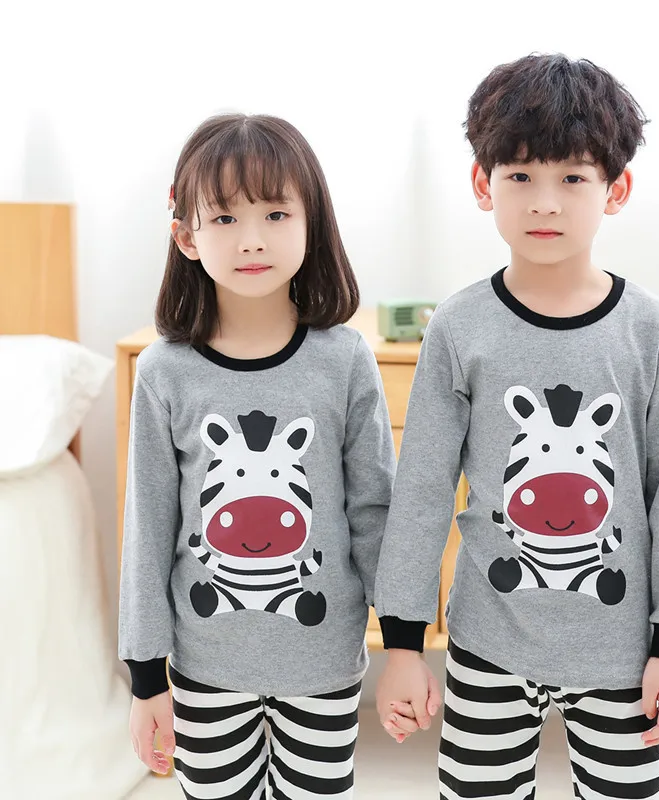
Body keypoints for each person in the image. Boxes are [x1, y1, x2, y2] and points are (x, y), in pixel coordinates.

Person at [374, 53, 659, 800]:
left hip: (621, 651)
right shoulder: (459, 326)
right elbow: (422, 492)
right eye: (520, 176)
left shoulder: (651, 329)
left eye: (573, 178)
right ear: (482, 183)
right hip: (488, 639)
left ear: (615, 190)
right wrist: (403, 645)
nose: (545, 203)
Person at [119, 113, 396, 800]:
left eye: (275, 214)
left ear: (311, 224)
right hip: (204, 667)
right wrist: (147, 678)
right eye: (225, 218)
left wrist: (403, 645)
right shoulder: (164, 372)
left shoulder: (345, 361)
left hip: (323, 661)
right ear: (187, 236)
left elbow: (374, 514)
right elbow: (148, 532)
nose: (251, 239)